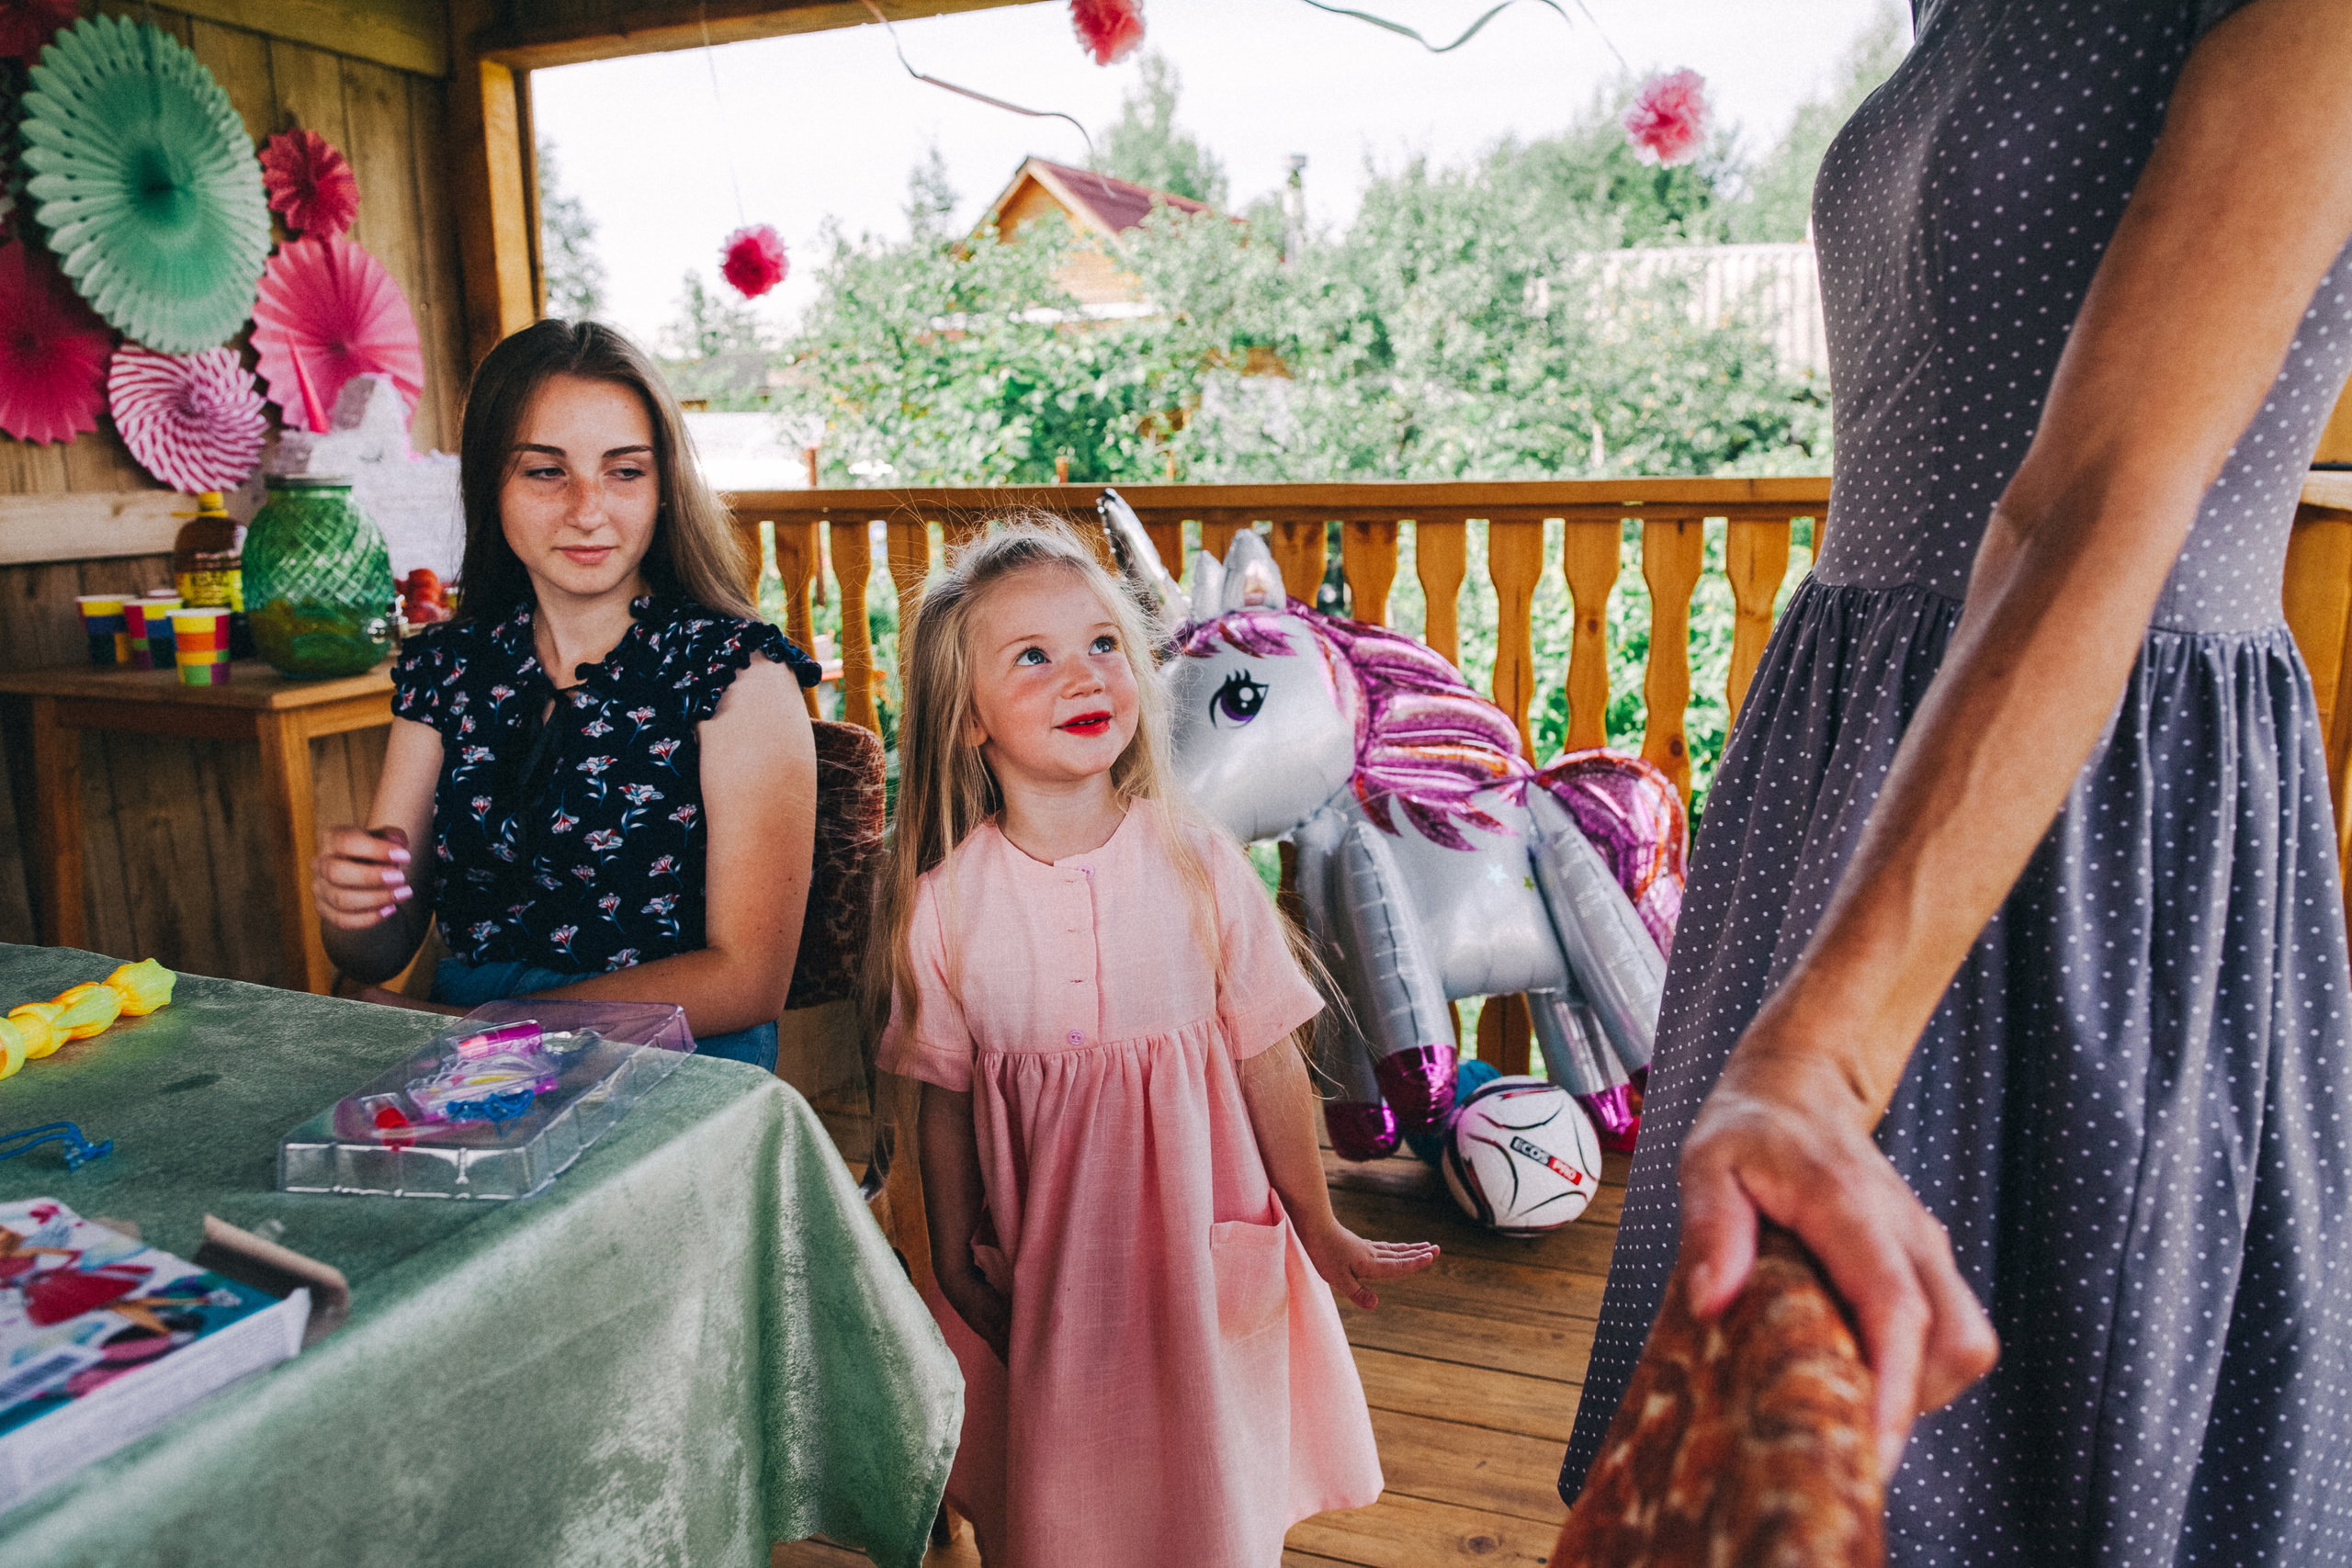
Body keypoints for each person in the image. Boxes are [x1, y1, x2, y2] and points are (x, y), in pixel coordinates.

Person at [1561, 2, 2352, 1562]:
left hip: (2103, 797)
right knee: (1742, 1422)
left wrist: (1826, 1060)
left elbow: (2093, 497)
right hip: (1834, 755)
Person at [871, 523, 1436, 1568]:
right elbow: (940, 1099)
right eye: (1031, 656)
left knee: (1206, 1481)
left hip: (1194, 1244)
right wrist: (950, 1250)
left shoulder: (1196, 863)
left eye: (1100, 645)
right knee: (1066, 1497)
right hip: (1050, 1269)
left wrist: (1313, 1217)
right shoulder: (944, 910)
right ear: (964, 718)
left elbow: (1268, 1051)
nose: (1080, 675)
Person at [311, 319, 820, 1071]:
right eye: (546, 471)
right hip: (465, 1058)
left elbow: (747, 980)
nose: (588, 508)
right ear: (491, 482)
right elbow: (382, 950)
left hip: (675, 1059)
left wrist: (476, 1026)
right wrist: (353, 907)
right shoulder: (448, 669)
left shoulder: (737, 676)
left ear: (665, 487)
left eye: (625, 471)